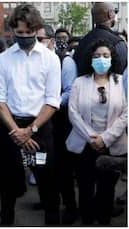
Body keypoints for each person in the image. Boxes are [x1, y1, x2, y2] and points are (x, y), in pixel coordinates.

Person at [0, 4, 61, 225]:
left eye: (28, 33)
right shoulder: (4, 59)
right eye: (18, 33)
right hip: (10, 127)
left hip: (40, 126)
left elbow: (52, 100)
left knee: (47, 183)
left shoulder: (50, 59)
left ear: (37, 29)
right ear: (13, 30)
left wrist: (30, 130)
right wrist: (16, 131)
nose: (23, 36)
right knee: (8, 184)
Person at [66, 40, 127, 225]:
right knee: (85, 188)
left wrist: (105, 138)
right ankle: (87, 220)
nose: (101, 59)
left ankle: (104, 219)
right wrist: (92, 137)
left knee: (107, 190)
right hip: (84, 144)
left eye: (105, 56)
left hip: (112, 145)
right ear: (90, 59)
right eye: (97, 56)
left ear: (112, 58)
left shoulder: (119, 81)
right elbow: (73, 113)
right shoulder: (80, 82)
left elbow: (125, 114)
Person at [38, 24, 79, 224]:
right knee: (39, 164)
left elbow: (70, 91)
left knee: (63, 167)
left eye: (40, 40)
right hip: (37, 123)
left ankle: (70, 206)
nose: (35, 44)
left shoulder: (66, 61)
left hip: (59, 123)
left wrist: (49, 104)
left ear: (51, 41)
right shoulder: (31, 62)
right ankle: (47, 202)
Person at [73, 2, 127, 76]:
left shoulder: (82, 42)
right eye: (115, 12)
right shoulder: (117, 42)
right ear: (110, 14)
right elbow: (123, 72)